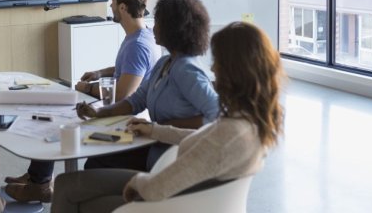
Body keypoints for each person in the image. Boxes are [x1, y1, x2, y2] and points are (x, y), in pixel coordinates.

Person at [51, 21, 285, 213]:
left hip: (165, 202)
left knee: (69, 191)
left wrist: (135, 183)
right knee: (68, 184)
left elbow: (155, 188)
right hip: (185, 195)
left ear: (235, 70)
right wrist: (154, 130)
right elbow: (205, 138)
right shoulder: (250, 121)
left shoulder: (229, 131)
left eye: (219, 63)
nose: (213, 69)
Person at [4, 0, 162, 203]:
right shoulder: (141, 35)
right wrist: (99, 73)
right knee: (58, 113)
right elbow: (128, 69)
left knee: (59, 120)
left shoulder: (138, 45)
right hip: (117, 112)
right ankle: (35, 177)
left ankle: (39, 184)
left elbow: (123, 94)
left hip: (121, 118)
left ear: (123, 8)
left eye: (113, 1)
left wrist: (87, 88)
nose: (110, 6)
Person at [75, 0, 219, 172]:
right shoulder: (164, 63)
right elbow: (135, 101)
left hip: (174, 158)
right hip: (157, 145)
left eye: (157, 22)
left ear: (172, 28)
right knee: (97, 159)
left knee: (96, 163)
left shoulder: (186, 70)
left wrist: (157, 128)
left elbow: (216, 115)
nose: (153, 28)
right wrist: (99, 113)